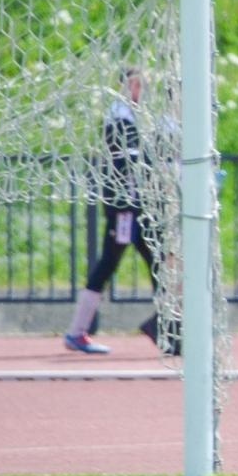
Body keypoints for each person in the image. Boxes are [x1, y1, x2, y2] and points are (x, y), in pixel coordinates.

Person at [63, 67, 168, 356]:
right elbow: (124, 163)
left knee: (159, 261)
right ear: (124, 86)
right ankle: (77, 331)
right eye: (136, 85)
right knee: (110, 263)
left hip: (138, 207)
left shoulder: (136, 117)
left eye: (143, 85)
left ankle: (166, 326)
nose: (141, 90)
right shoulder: (119, 117)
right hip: (125, 208)